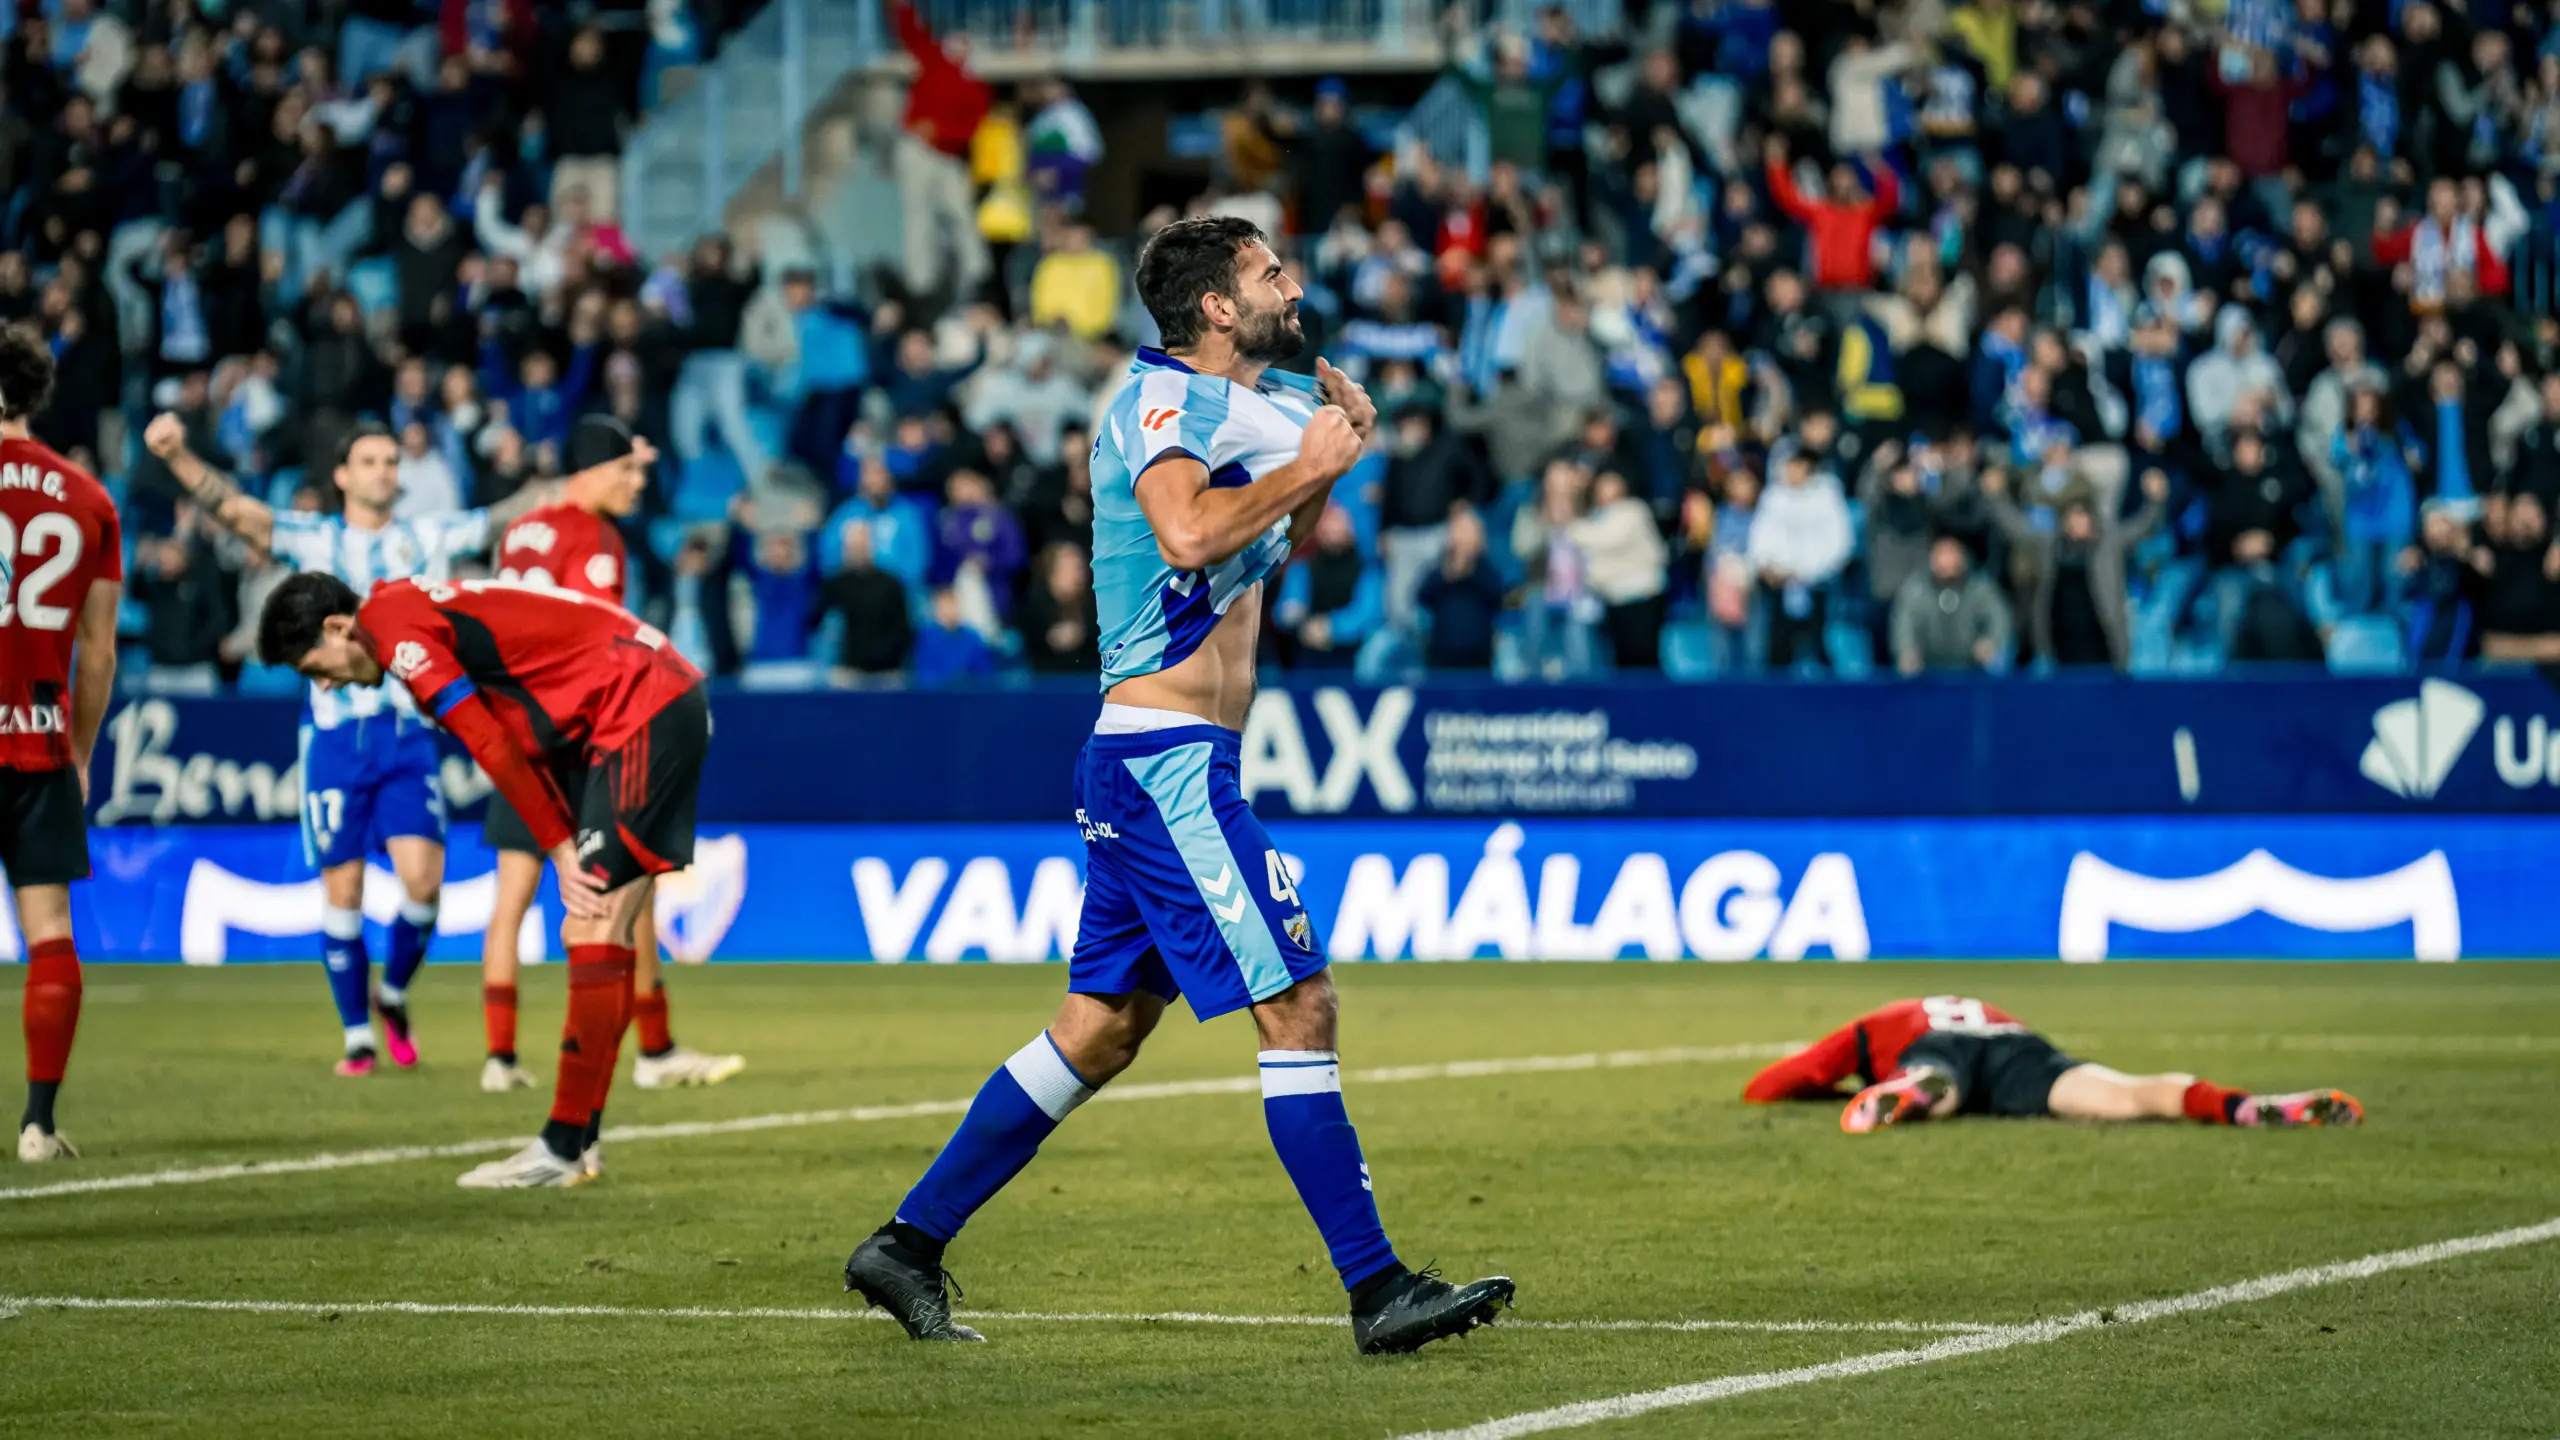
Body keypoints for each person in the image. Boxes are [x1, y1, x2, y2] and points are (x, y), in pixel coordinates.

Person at [841, 216, 1512, 1354]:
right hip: (1168, 765)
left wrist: (1334, 457)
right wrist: (1311, 464)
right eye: (1268, 273)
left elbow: (1259, 551)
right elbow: (1188, 536)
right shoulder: (1160, 404)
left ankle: (905, 1245)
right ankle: (1377, 1290)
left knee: (1098, 1032)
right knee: (1299, 1004)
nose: (1291, 286)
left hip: (1159, 761)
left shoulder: (1248, 406)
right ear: (1215, 305)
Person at [258, 570, 711, 1189]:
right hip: (638, 701)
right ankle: (580, 1142)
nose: (326, 685)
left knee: (595, 922)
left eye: (317, 668)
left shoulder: (389, 626)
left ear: (339, 628)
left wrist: (558, 845)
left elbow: (487, 739)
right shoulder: (403, 605)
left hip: (639, 704)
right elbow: (518, 728)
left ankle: (561, 1147)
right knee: (597, 927)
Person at [145, 412, 560, 1076]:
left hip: (409, 730)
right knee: (343, 889)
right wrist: (177, 456)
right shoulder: (313, 537)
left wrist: (569, 484)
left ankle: (391, 991)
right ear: (341, 475)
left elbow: (501, 518)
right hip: (336, 737)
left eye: (391, 462)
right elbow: (238, 512)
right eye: (369, 461)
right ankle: (358, 1036)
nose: (383, 472)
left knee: (424, 885)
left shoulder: (427, 535)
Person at [481, 417, 744, 1095]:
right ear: (592, 471)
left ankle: (499, 1058)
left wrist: (627, 448)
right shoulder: (595, 536)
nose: (636, 484)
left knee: (511, 898)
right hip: (576, 734)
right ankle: (654, 1048)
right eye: (626, 471)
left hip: (516, 732)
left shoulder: (522, 531)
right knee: (633, 891)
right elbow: (595, 637)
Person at [0, 326, 122, 1161]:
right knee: (49, 932)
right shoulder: (88, 498)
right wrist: (78, 752)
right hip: (39, 743)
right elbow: (99, 651)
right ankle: (39, 1125)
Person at [1744, 995, 2364, 1133]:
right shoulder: (1979, 1007)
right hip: (2019, 1045)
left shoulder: (1882, 1022)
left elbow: (1769, 1085)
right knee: (2124, 1094)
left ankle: (1918, 1088)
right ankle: (2241, 1106)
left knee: (1941, 1078)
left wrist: (1839, 1089)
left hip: (1937, 1049)